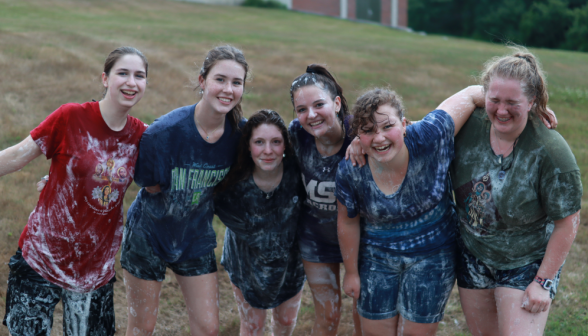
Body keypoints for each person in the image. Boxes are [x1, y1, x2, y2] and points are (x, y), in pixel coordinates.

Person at [0, 46, 149, 336]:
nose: (131, 82)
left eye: (139, 76)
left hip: (94, 269)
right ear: (105, 79)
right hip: (40, 258)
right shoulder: (71, 117)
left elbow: (161, 181)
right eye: (123, 73)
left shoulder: (142, 136)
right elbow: (16, 156)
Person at [451, 47, 581, 336]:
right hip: (474, 254)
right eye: (494, 100)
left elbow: (568, 221)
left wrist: (543, 281)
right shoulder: (466, 126)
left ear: (533, 101)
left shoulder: (551, 152)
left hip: (527, 260)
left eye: (512, 102)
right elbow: (419, 138)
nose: (500, 110)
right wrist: (362, 143)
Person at [337, 85, 487, 335]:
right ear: (358, 136)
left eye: (388, 127)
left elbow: (472, 94)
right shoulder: (352, 169)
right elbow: (347, 221)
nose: (380, 138)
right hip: (377, 257)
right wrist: (351, 272)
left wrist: (529, 104)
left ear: (404, 124)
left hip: (433, 253)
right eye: (368, 131)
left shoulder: (430, 135)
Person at [120, 45, 248, 336]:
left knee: (208, 328)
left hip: (195, 237)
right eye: (220, 79)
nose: (228, 89)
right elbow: (150, 186)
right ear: (202, 81)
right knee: (142, 327)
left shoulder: (241, 136)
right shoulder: (162, 134)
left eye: (236, 82)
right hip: (148, 236)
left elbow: (278, 149)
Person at [214, 109, 306, 336]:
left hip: (290, 264)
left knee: (286, 322)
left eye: (276, 142)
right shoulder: (233, 181)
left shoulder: (299, 173)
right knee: (253, 326)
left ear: (286, 145)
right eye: (259, 142)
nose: (268, 151)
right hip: (246, 262)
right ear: (248, 145)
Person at [288, 64, 362, 335]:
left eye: (319, 104)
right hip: (316, 237)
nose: (311, 115)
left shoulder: (360, 133)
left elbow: (403, 131)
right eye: (302, 109)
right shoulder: (297, 135)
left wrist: (363, 140)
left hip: (362, 239)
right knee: (328, 317)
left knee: (363, 316)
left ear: (337, 102)